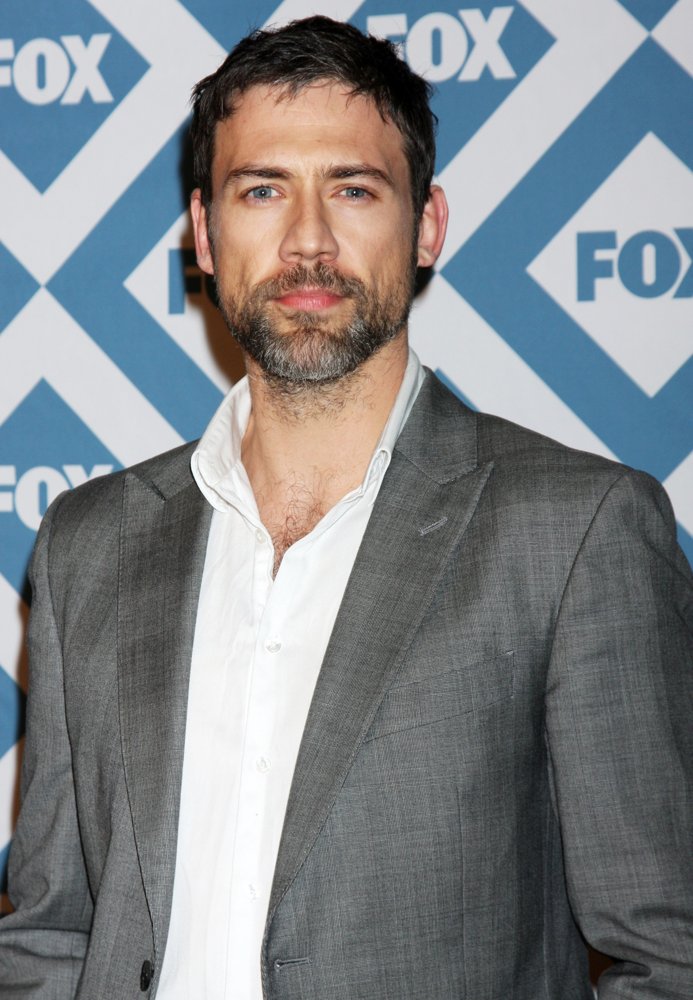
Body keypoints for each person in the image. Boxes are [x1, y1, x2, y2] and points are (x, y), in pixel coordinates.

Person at [1, 15, 691, 1000]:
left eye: (353, 189)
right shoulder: (89, 542)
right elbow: (50, 936)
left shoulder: (576, 530)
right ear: (205, 233)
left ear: (427, 226)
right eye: (262, 189)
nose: (308, 240)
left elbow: (669, 959)